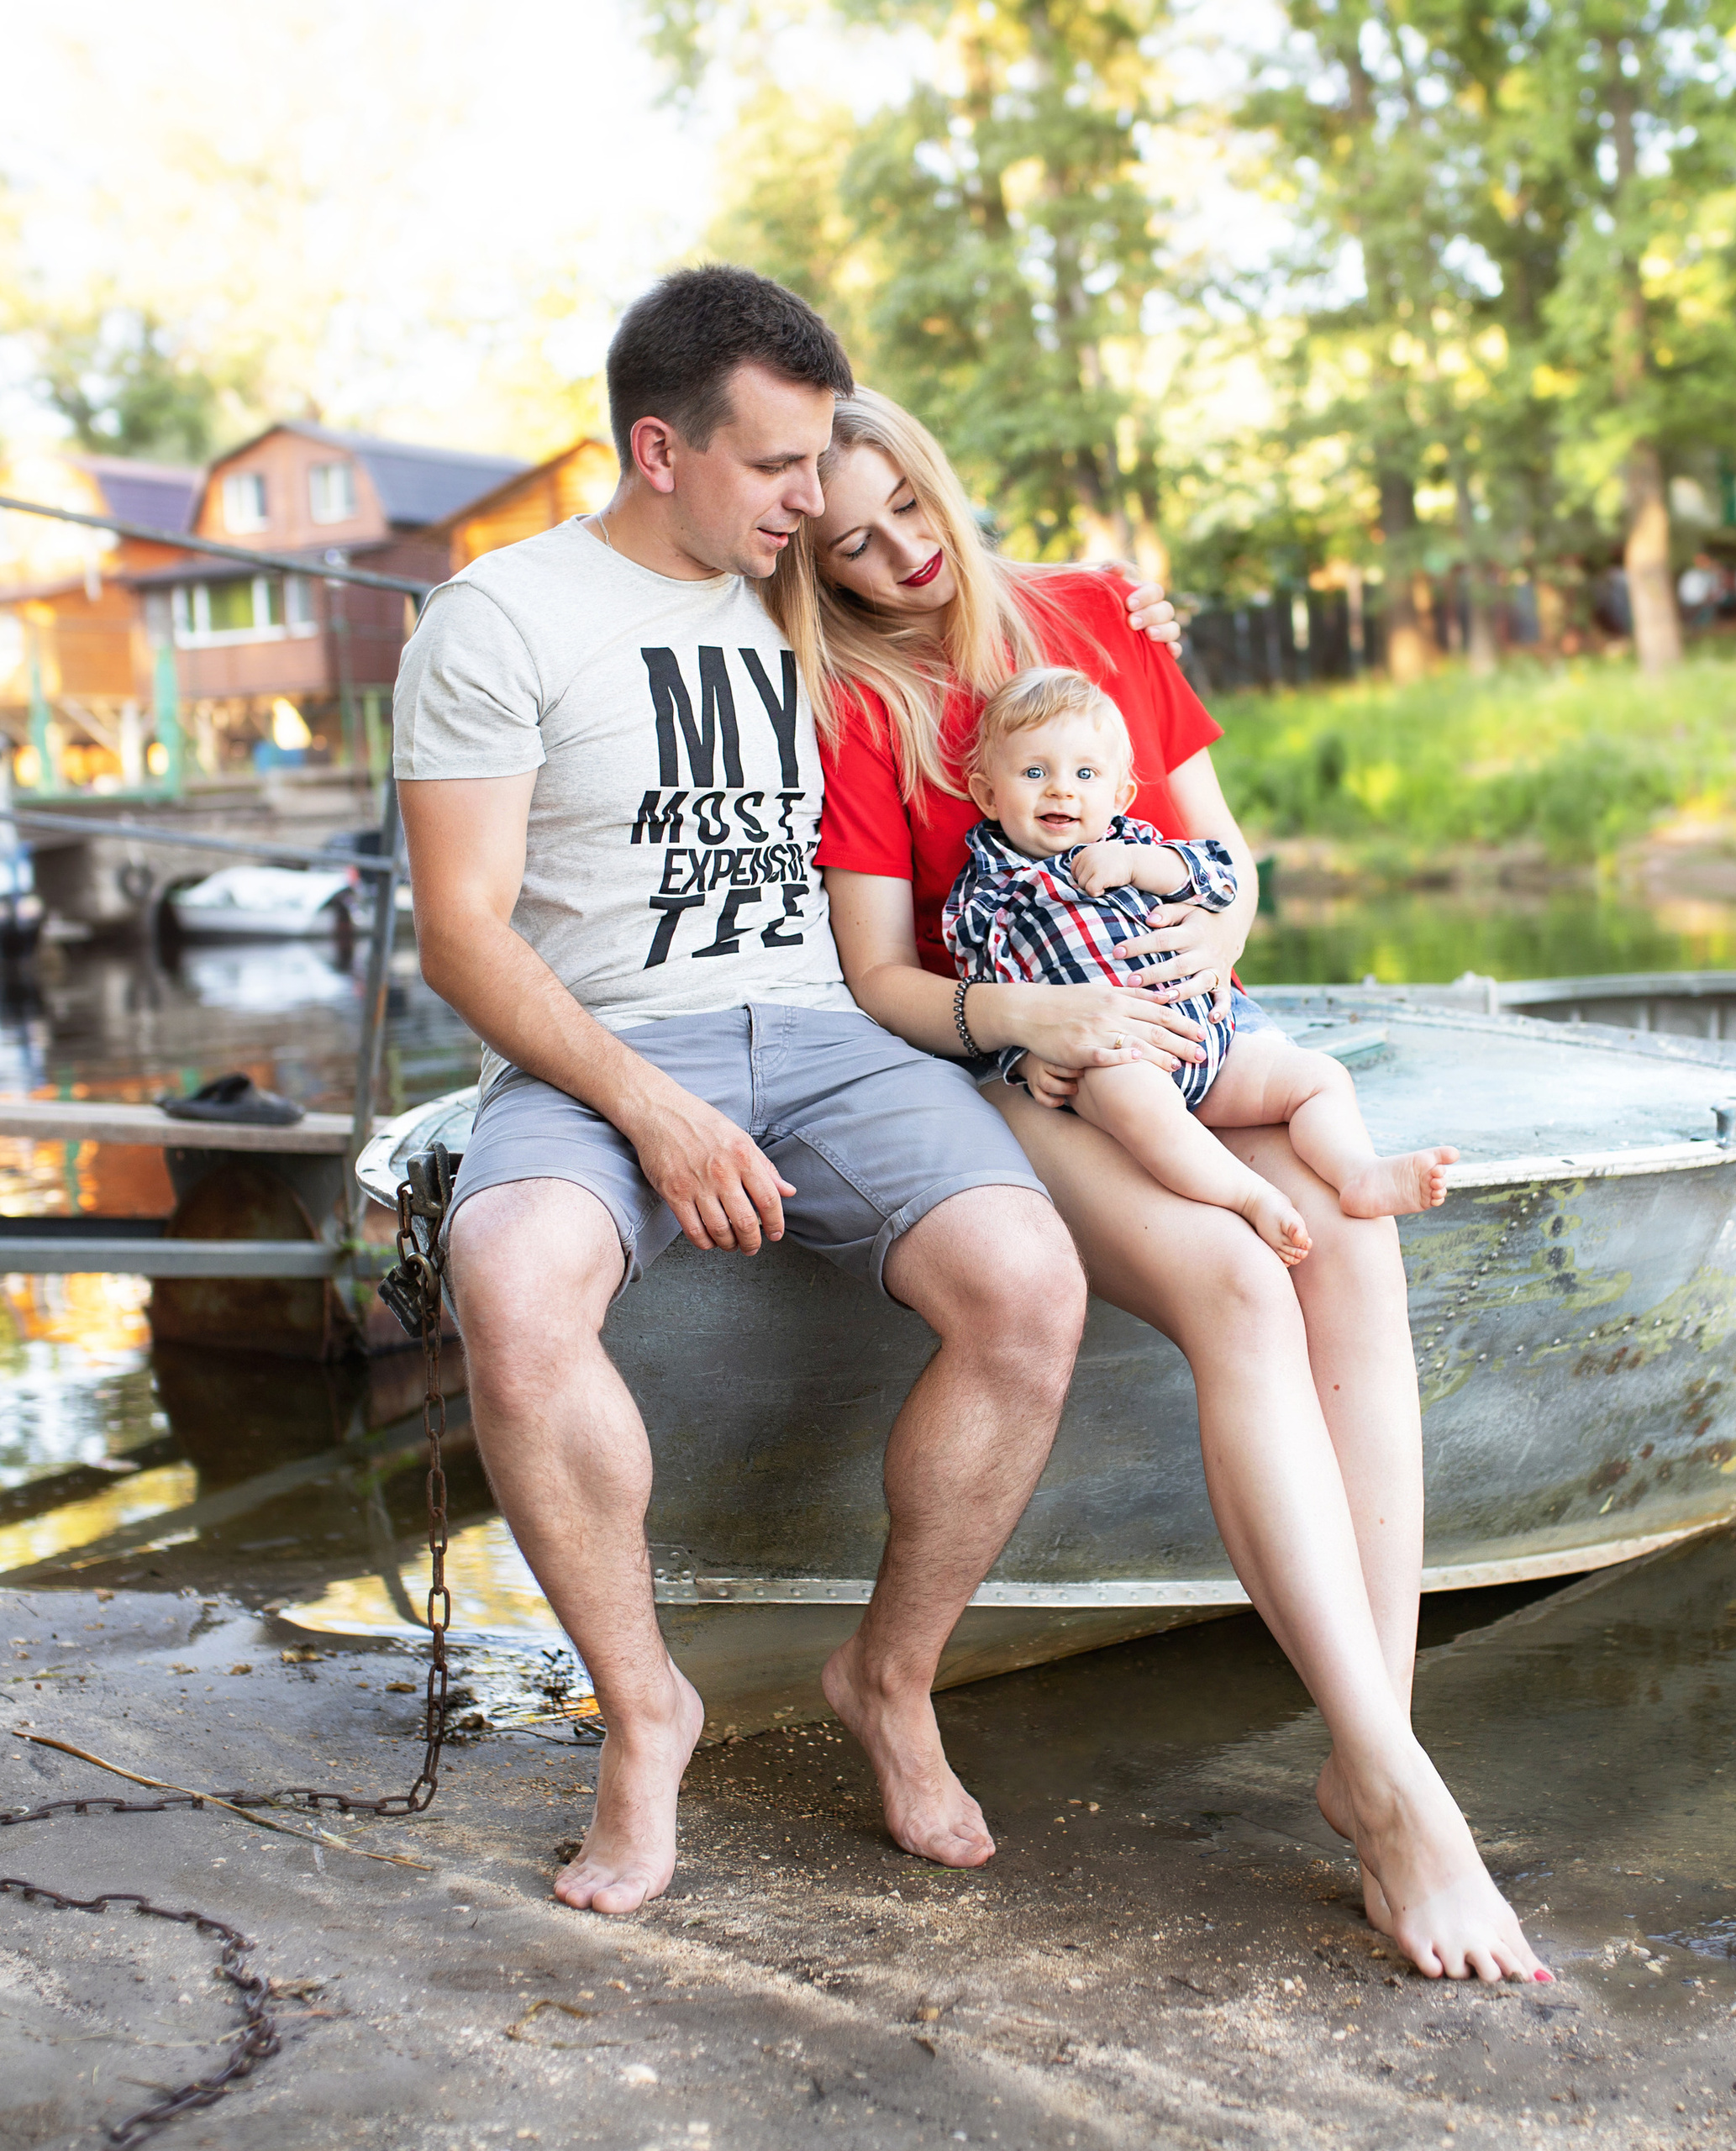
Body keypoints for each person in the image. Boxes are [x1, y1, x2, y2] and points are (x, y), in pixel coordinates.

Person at [392, 267, 1182, 1912]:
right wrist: (655, 1109)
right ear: (659, 447)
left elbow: (986, 609)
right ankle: (646, 1709)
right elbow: (462, 935)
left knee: (1026, 1281)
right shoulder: (499, 620)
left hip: (832, 1034)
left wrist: (1125, 609)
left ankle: (887, 1676)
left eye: (822, 460)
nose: (814, 503)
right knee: (513, 1282)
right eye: (775, 468)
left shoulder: (801, 594)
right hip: (596, 1040)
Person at [771, 386, 1549, 1984]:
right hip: (1037, 1058)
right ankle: (1405, 1802)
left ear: (939, 474)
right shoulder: (856, 703)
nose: (900, 556)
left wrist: (1220, 932)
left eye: (910, 508)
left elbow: (1223, 851)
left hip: (1196, 1020)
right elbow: (878, 975)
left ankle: (1372, 1752)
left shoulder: (1090, 614)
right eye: (851, 544)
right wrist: (1026, 1016)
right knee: (1240, 1283)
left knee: (1353, 1249)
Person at [944, 665, 1460, 1262]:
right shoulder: (987, 892)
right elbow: (989, 986)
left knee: (1318, 1077)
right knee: (1142, 1109)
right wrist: (1026, 1059)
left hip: (1205, 1038)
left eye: (1085, 774)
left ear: (1119, 795)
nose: (1061, 790)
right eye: (1035, 773)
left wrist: (1142, 866)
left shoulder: (1136, 842)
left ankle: (1357, 1171)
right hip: (1112, 1057)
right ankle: (1248, 1197)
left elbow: (1220, 876)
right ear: (988, 794)